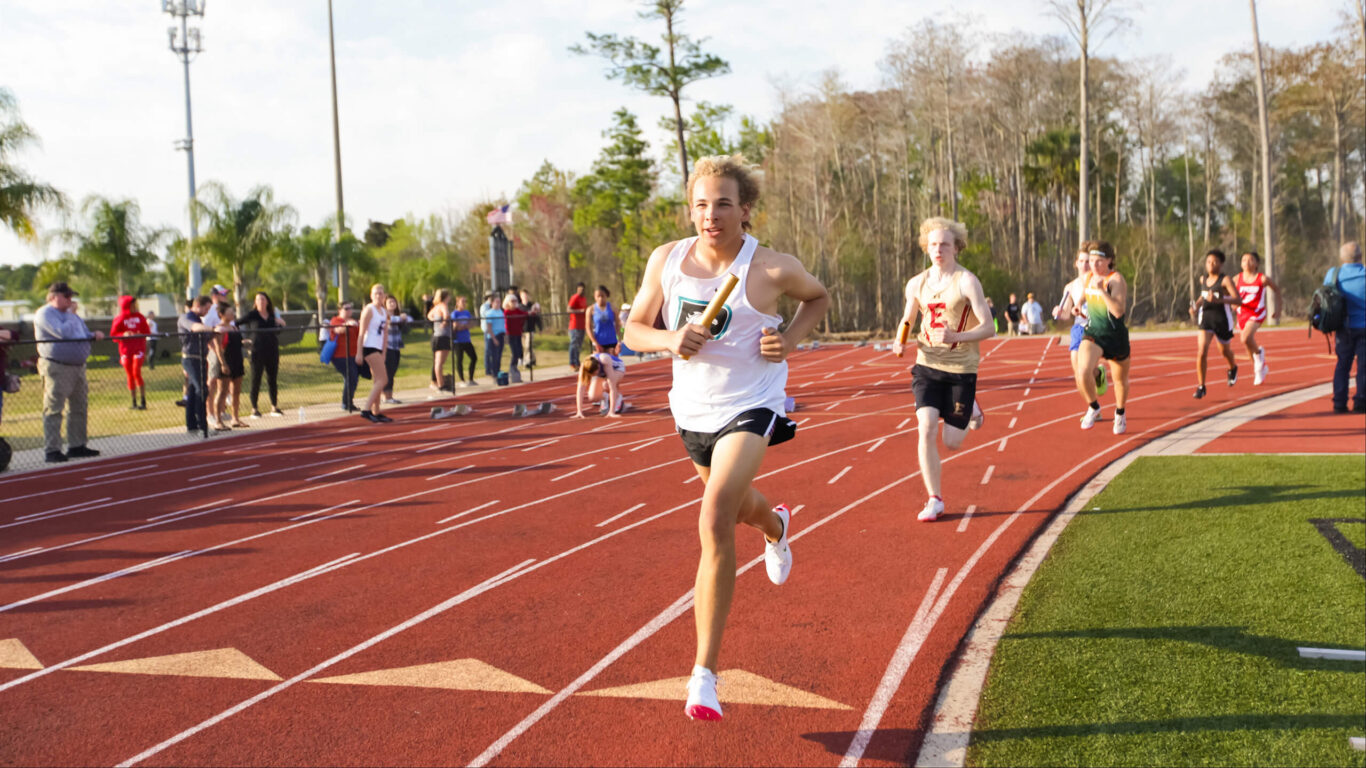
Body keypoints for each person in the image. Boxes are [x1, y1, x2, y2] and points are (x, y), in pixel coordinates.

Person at [623, 154, 829, 722]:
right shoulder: (666, 260)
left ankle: (704, 677)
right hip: (691, 410)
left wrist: (788, 341)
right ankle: (777, 527)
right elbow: (633, 329)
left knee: (713, 517)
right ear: (690, 209)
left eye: (722, 204)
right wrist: (669, 340)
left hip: (751, 404)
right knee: (737, 509)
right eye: (701, 204)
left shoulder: (770, 268)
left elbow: (819, 298)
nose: (710, 215)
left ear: (745, 210)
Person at [891, 218, 995, 524]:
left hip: (961, 369)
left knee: (952, 442)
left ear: (956, 247)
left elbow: (989, 327)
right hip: (926, 366)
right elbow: (908, 318)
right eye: (934, 244)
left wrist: (956, 337)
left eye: (945, 244)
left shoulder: (966, 281)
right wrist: (900, 341)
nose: (938, 249)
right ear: (926, 246)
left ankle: (972, 409)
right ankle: (934, 499)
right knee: (925, 428)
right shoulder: (916, 283)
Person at [34, 282, 104, 463]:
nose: (70, 300)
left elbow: (82, 332)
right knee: (54, 408)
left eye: (71, 296)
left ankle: (77, 445)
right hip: (57, 366)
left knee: (79, 407)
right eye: (66, 296)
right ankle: (52, 449)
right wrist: (72, 315)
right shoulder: (46, 314)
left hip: (78, 367)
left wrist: (92, 335)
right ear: (53, 297)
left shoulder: (71, 316)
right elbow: (62, 333)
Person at [1075, 241, 1132, 434]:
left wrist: (1101, 290)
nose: (1094, 265)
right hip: (1094, 333)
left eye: (1099, 261)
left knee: (1120, 381)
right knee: (1082, 371)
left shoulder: (1115, 280)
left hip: (1115, 336)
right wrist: (1079, 304)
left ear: (1109, 261)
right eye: (1091, 261)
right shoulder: (1089, 276)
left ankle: (1120, 413)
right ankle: (1093, 407)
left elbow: (1118, 311)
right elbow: (1084, 295)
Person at [1188, 249, 1240, 399]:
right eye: (1209, 262)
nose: (1211, 264)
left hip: (1222, 319)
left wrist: (1220, 300)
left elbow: (1238, 300)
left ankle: (1233, 367)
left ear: (1221, 264)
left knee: (1225, 351)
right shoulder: (1203, 279)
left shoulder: (1225, 280)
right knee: (1202, 351)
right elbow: (1203, 296)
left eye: (1215, 262)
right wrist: (1196, 307)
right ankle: (1201, 386)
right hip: (1206, 319)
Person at [1054, 249, 1106, 397]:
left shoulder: (1099, 282)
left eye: (1088, 261)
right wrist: (1058, 311)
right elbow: (1065, 314)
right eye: (1081, 261)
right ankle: (1093, 407)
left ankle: (1096, 373)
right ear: (1076, 264)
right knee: (1078, 372)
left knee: (1086, 369)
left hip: (1094, 328)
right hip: (1078, 328)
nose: (1085, 265)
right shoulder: (1070, 287)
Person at [1328, 241, 1366, 413]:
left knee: (1343, 365)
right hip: (1364, 326)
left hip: (1343, 327)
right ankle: (1361, 401)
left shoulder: (1333, 274)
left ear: (1342, 257)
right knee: (1363, 366)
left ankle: (1339, 402)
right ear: (1360, 256)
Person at [1234, 251, 1280, 385]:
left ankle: (1259, 354)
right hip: (1242, 313)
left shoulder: (1262, 279)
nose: (1247, 262)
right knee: (1248, 345)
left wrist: (1278, 309)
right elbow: (1227, 291)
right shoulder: (1237, 278)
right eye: (1244, 260)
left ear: (1257, 263)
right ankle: (1260, 369)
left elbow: (1277, 290)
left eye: (1251, 260)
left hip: (1257, 312)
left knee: (1245, 338)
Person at [239, 291, 286, 418]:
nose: (261, 301)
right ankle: (254, 408)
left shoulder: (271, 316)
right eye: (258, 299)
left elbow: (278, 331)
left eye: (263, 299)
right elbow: (237, 323)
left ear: (267, 301)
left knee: (272, 379)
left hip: (272, 350)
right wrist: (242, 340)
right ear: (255, 302)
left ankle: (274, 407)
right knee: (256, 379)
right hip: (256, 351)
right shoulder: (252, 315)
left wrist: (280, 324)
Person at [356, 283, 393, 423]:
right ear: (371, 296)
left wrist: (384, 352)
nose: (379, 295)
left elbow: (385, 334)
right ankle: (366, 409)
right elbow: (361, 333)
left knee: (378, 380)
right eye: (376, 293)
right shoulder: (368, 310)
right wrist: (359, 353)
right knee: (383, 379)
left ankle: (376, 412)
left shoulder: (383, 311)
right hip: (369, 347)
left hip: (377, 348)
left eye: (381, 293)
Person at [178, 296, 214, 435]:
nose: (207, 311)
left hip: (200, 358)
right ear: (198, 305)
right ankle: (202, 426)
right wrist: (211, 328)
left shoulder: (199, 319)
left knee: (193, 391)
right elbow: (195, 328)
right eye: (206, 308)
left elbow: (205, 335)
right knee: (201, 390)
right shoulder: (186, 318)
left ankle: (192, 425)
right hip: (190, 359)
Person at [110, 295, 150, 410]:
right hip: (125, 350)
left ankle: (143, 401)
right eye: (132, 305)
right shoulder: (119, 319)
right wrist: (123, 335)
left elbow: (147, 332)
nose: (134, 307)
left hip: (138, 349)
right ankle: (134, 402)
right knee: (130, 375)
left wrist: (139, 334)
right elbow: (113, 335)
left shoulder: (140, 317)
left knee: (136, 371)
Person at [212, 302, 246, 429]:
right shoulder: (219, 329)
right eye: (229, 312)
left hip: (237, 361)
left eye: (233, 312)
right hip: (226, 362)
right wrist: (223, 364)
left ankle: (235, 418)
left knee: (236, 392)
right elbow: (218, 348)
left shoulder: (234, 328)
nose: (232, 314)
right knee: (222, 391)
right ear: (222, 314)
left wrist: (245, 343)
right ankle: (218, 421)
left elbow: (238, 343)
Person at [571, 351, 626, 418]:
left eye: (596, 372)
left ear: (598, 366)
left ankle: (618, 397)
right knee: (593, 397)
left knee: (607, 385)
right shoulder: (584, 367)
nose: (595, 374)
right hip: (601, 372)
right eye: (593, 374)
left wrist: (612, 412)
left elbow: (612, 387)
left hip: (617, 368)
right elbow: (580, 388)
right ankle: (605, 397)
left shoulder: (605, 360)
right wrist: (579, 411)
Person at [329, 301, 361, 413]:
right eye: (346, 308)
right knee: (350, 376)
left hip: (353, 355)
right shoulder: (336, 320)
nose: (349, 310)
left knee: (353, 378)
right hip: (340, 356)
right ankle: (346, 403)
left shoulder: (354, 322)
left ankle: (349, 402)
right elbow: (337, 330)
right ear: (340, 310)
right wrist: (346, 325)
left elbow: (359, 336)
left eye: (350, 308)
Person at [383, 295, 412, 404]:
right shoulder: (384, 315)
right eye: (390, 302)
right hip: (387, 347)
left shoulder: (398, 315)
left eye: (394, 301)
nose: (392, 303)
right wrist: (401, 318)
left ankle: (389, 395)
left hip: (396, 347)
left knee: (393, 371)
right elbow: (390, 320)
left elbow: (410, 319)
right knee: (388, 372)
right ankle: (386, 396)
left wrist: (403, 317)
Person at [428, 289, 453, 392]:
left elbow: (429, 315)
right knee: (439, 362)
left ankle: (439, 382)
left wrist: (436, 320)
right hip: (442, 336)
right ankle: (440, 384)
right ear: (446, 296)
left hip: (437, 335)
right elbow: (446, 315)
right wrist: (443, 323)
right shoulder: (443, 305)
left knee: (438, 362)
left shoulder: (436, 307)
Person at [451, 295, 477, 386]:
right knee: (459, 360)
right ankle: (462, 380)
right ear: (457, 303)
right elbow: (455, 326)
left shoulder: (467, 313)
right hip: (458, 341)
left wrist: (465, 326)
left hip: (467, 339)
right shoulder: (455, 313)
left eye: (465, 302)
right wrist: (462, 326)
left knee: (474, 357)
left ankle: (471, 378)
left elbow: (472, 323)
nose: (464, 303)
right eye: (462, 301)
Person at [590, 285, 621, 354]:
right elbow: (588, 327)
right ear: (595, 297)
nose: (600, 298)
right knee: (598, 363)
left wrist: (619, 341)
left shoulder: (613, 308)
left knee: (612, 363)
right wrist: (595, 342)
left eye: (602, 296)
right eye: (598, 296)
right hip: (598, 342)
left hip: (611, 341)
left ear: (606, 296)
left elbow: (618, 325)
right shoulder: (591, 309)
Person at [481, 293, 506, 379]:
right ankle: (493, 372)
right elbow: (489, 327)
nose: (498, 303)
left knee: (499, 355)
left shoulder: (501, 312)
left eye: (499, 302)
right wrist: (494, 338)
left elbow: (503, 324)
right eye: (496, 302)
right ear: (492, 303)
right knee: (494, 355)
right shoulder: (489, 313)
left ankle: (497, 370)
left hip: (501, 335)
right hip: (493, 336)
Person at [504, 295, 527, 383]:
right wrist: (506, 334)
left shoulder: (517, 311)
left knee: (518, 351)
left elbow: (524, 314)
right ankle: (512, 368)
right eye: (512, 301)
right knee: (514, 352)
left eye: (515, 301)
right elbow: (506, 324)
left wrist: (532, 311)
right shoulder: (507, 312)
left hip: (518, 334)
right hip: (511, 335)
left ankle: (514, 368)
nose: (514, 303)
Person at [567, 282, 589, 369]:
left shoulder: (584, 299)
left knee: (579, 345)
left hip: (582, 325)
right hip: (574, 325)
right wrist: (580, 311)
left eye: (583, 289)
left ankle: (577, 362)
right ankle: (572, 363)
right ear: (577, 289)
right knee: (574, 344)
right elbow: (568, 309)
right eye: (580, 289)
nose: (581, 291)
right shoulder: (574, 297)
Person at [520, 288, 542, 369]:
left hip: (530, 329)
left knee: (528, 346)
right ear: (521, 296)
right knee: (525, 347)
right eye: (523, 296)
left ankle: (527, 362)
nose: (525, 297)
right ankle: (533, 359)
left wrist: (540, 328)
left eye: (526, 295)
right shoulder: (519, 307)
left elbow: (537, 318)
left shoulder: (532, 306)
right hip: (522, 330)